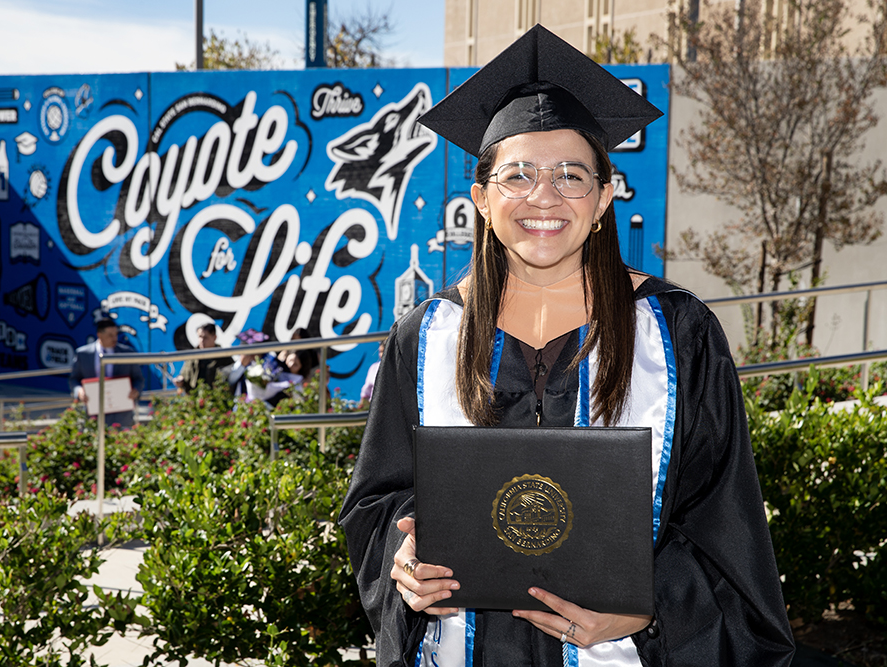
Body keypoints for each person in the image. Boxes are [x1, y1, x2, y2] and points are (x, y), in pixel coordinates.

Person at [338, 25, 795, 667]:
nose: (543, 197)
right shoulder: (426, 335)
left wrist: (650, 604)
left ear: (605, 197)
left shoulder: (674, 331)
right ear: (481, 199)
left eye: (570, 176)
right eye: (517, 175)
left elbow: (725, 519)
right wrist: (404, 558)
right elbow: (377, 501)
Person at [68, 318, 144, 429]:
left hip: (121, 414)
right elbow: (74, 379)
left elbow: (138, 379)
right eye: (110, 335)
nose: (114, 338)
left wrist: (136, 390)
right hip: (93, 412)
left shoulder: (127, 353)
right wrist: (79, 391)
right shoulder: (83, 354)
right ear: (99, 335)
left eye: (116, 334)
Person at [174, 322, 232, 394]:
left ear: (214, 337)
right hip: (194, 398)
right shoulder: (193, 355)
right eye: (200, 337)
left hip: (216, 398)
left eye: (205, 337)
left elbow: (232, 377)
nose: (202, 341)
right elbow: (184, 374)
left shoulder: (224, 356)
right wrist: (180, 380)